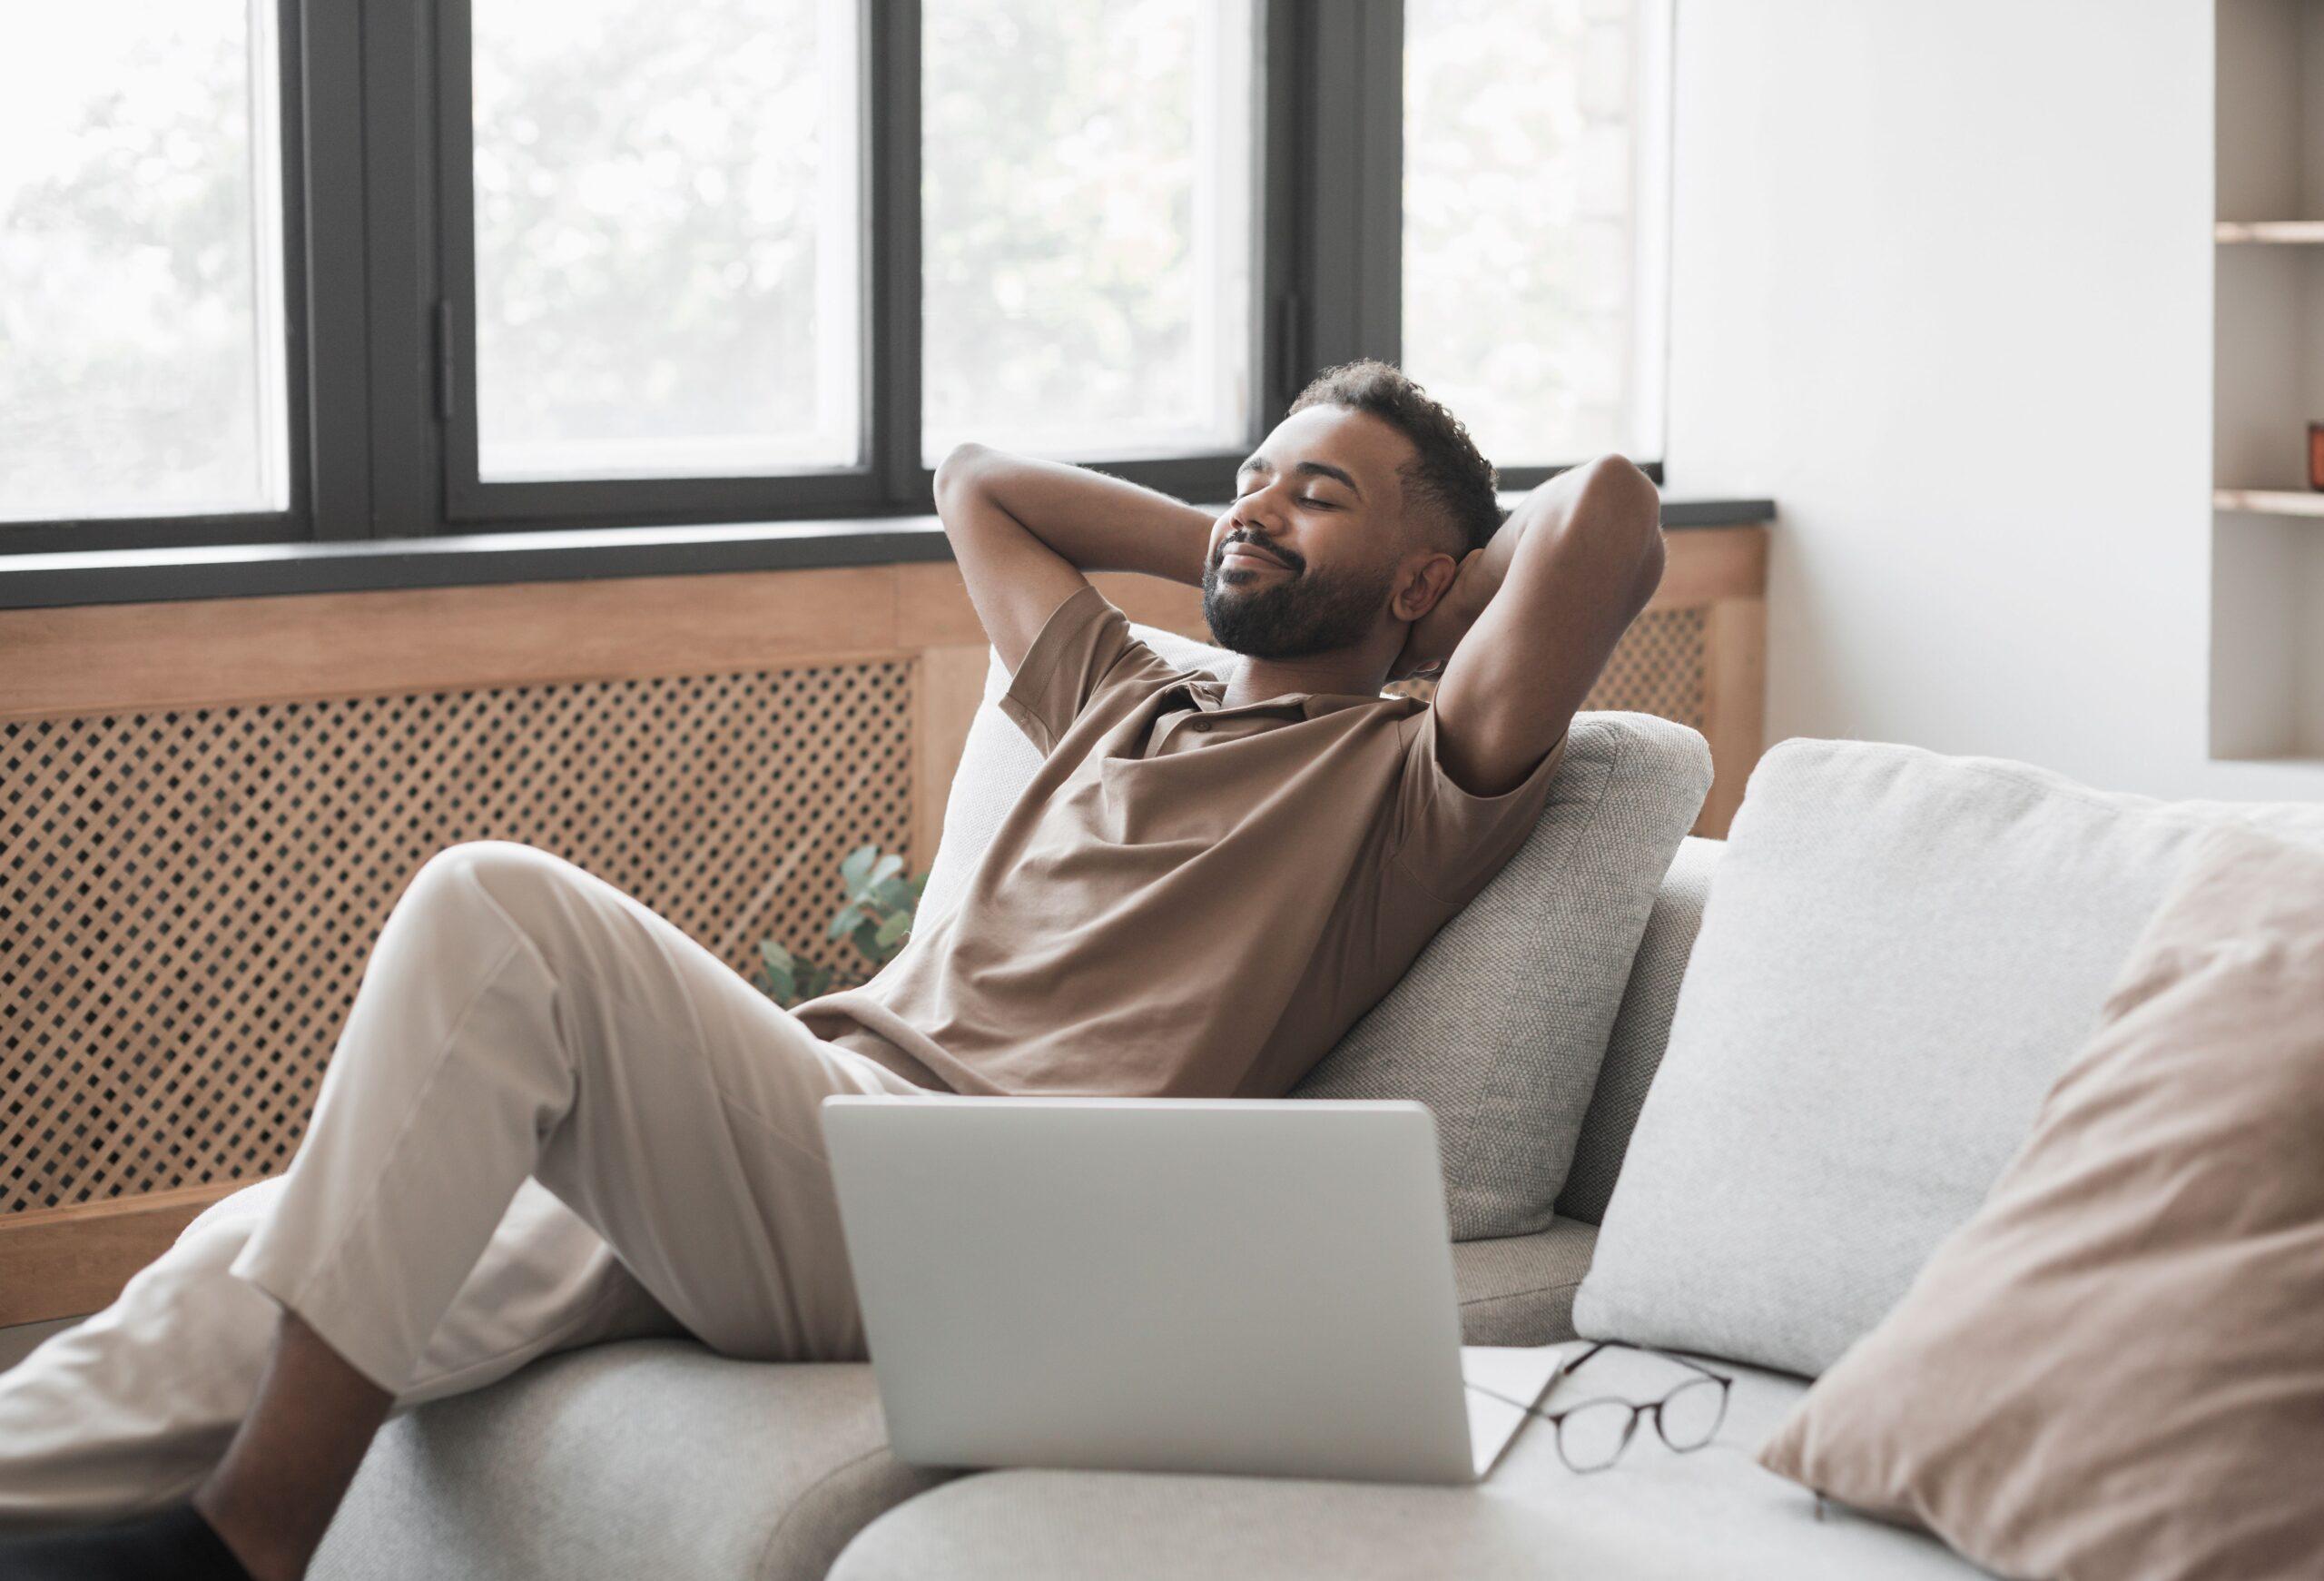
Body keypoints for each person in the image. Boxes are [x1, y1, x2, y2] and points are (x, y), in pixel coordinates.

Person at [0, 358, 1664, 1579]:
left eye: (1323, 491)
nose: (1258, 504)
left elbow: (1607, 513)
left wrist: (1407, 593)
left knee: (498, 908)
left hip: (960, 1203)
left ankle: (251, 1547)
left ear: (1435, 578)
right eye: (1256, 471)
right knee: (249, 1252)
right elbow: (976, 479)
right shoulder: (1120, 695)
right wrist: (1251, 535)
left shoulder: (1407, 776)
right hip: (808, 1129)